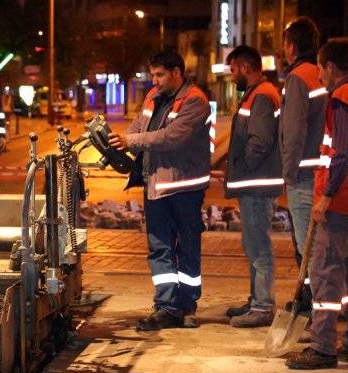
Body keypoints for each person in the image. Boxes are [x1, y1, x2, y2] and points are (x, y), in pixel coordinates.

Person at [286, 41, 348, 369]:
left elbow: (343, 151)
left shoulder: (343, 97)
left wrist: (326, 196)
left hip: (343, 197)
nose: (319, 78)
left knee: (325, 272)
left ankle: (323, 348)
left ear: (329, 66)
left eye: (320, 69)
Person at [108, 50, 211, 331]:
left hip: (184, 188)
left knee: (187, 247)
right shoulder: (153, 97)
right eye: (153, 74)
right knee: (160, 248)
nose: (155, 80)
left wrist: (131, 140)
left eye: (160, 74)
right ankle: (166, 307)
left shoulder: (195, 101)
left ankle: (187, 306)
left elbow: (171, 137)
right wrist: (120, 142)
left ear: (177, 72)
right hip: (156, 185)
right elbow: (139, 126)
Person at [223, 46, 283, 328]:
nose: (232, 77)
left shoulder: (261, 96)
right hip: (253, 184)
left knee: (259, 247)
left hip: (257, 185)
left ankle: (262, 306)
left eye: (233, 70)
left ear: (245, 68)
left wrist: (241, 165)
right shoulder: (256, 94)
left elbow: (260, 142)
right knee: (253, 245)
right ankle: (255, 300)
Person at [276, 16, 328, 315]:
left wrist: (289, 173)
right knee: (322, 244)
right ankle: (325, 302)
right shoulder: (322, 74)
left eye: (284, 44)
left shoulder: (298, 77)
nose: (284, 49)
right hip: (324, 172)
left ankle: (313, 307)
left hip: (304, 174)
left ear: (292, 46)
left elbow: (293, 130)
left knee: (306, 246)